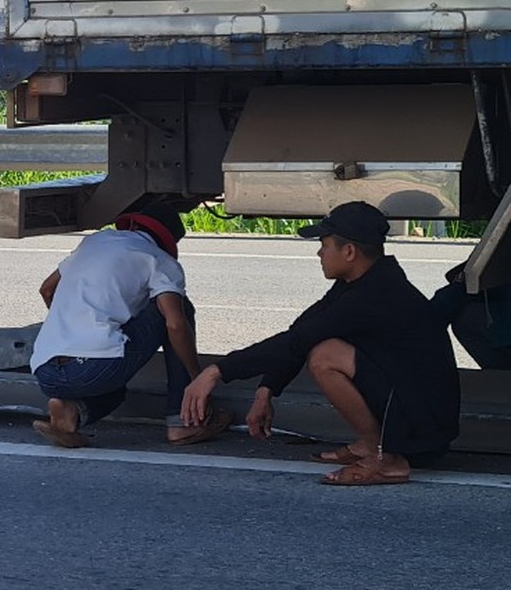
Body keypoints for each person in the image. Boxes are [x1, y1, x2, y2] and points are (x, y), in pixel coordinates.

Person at [181, 201, 461, 485]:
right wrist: (267, 390)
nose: (319, 253)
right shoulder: (363, 283)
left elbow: (299, 341)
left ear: (349, 251)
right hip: (418, 417)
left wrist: (216, 371)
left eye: (325, 245)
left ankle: (385, 459)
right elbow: (302, 332)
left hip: (423, 429)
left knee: (325, 356)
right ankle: (370, 445)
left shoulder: (374, 295)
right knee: (320, 344)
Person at [27, 202, 231, 448]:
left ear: (133, 224)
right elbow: (175, 325)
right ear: (167, 243)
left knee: (115, 391)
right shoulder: (160, 260)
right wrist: (195, 377)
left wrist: (74, 330)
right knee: (177, 310)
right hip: (96, 369)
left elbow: (47, 289)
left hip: (45, 370)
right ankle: (183, 422)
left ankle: (71, 411)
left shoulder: (94, 242)